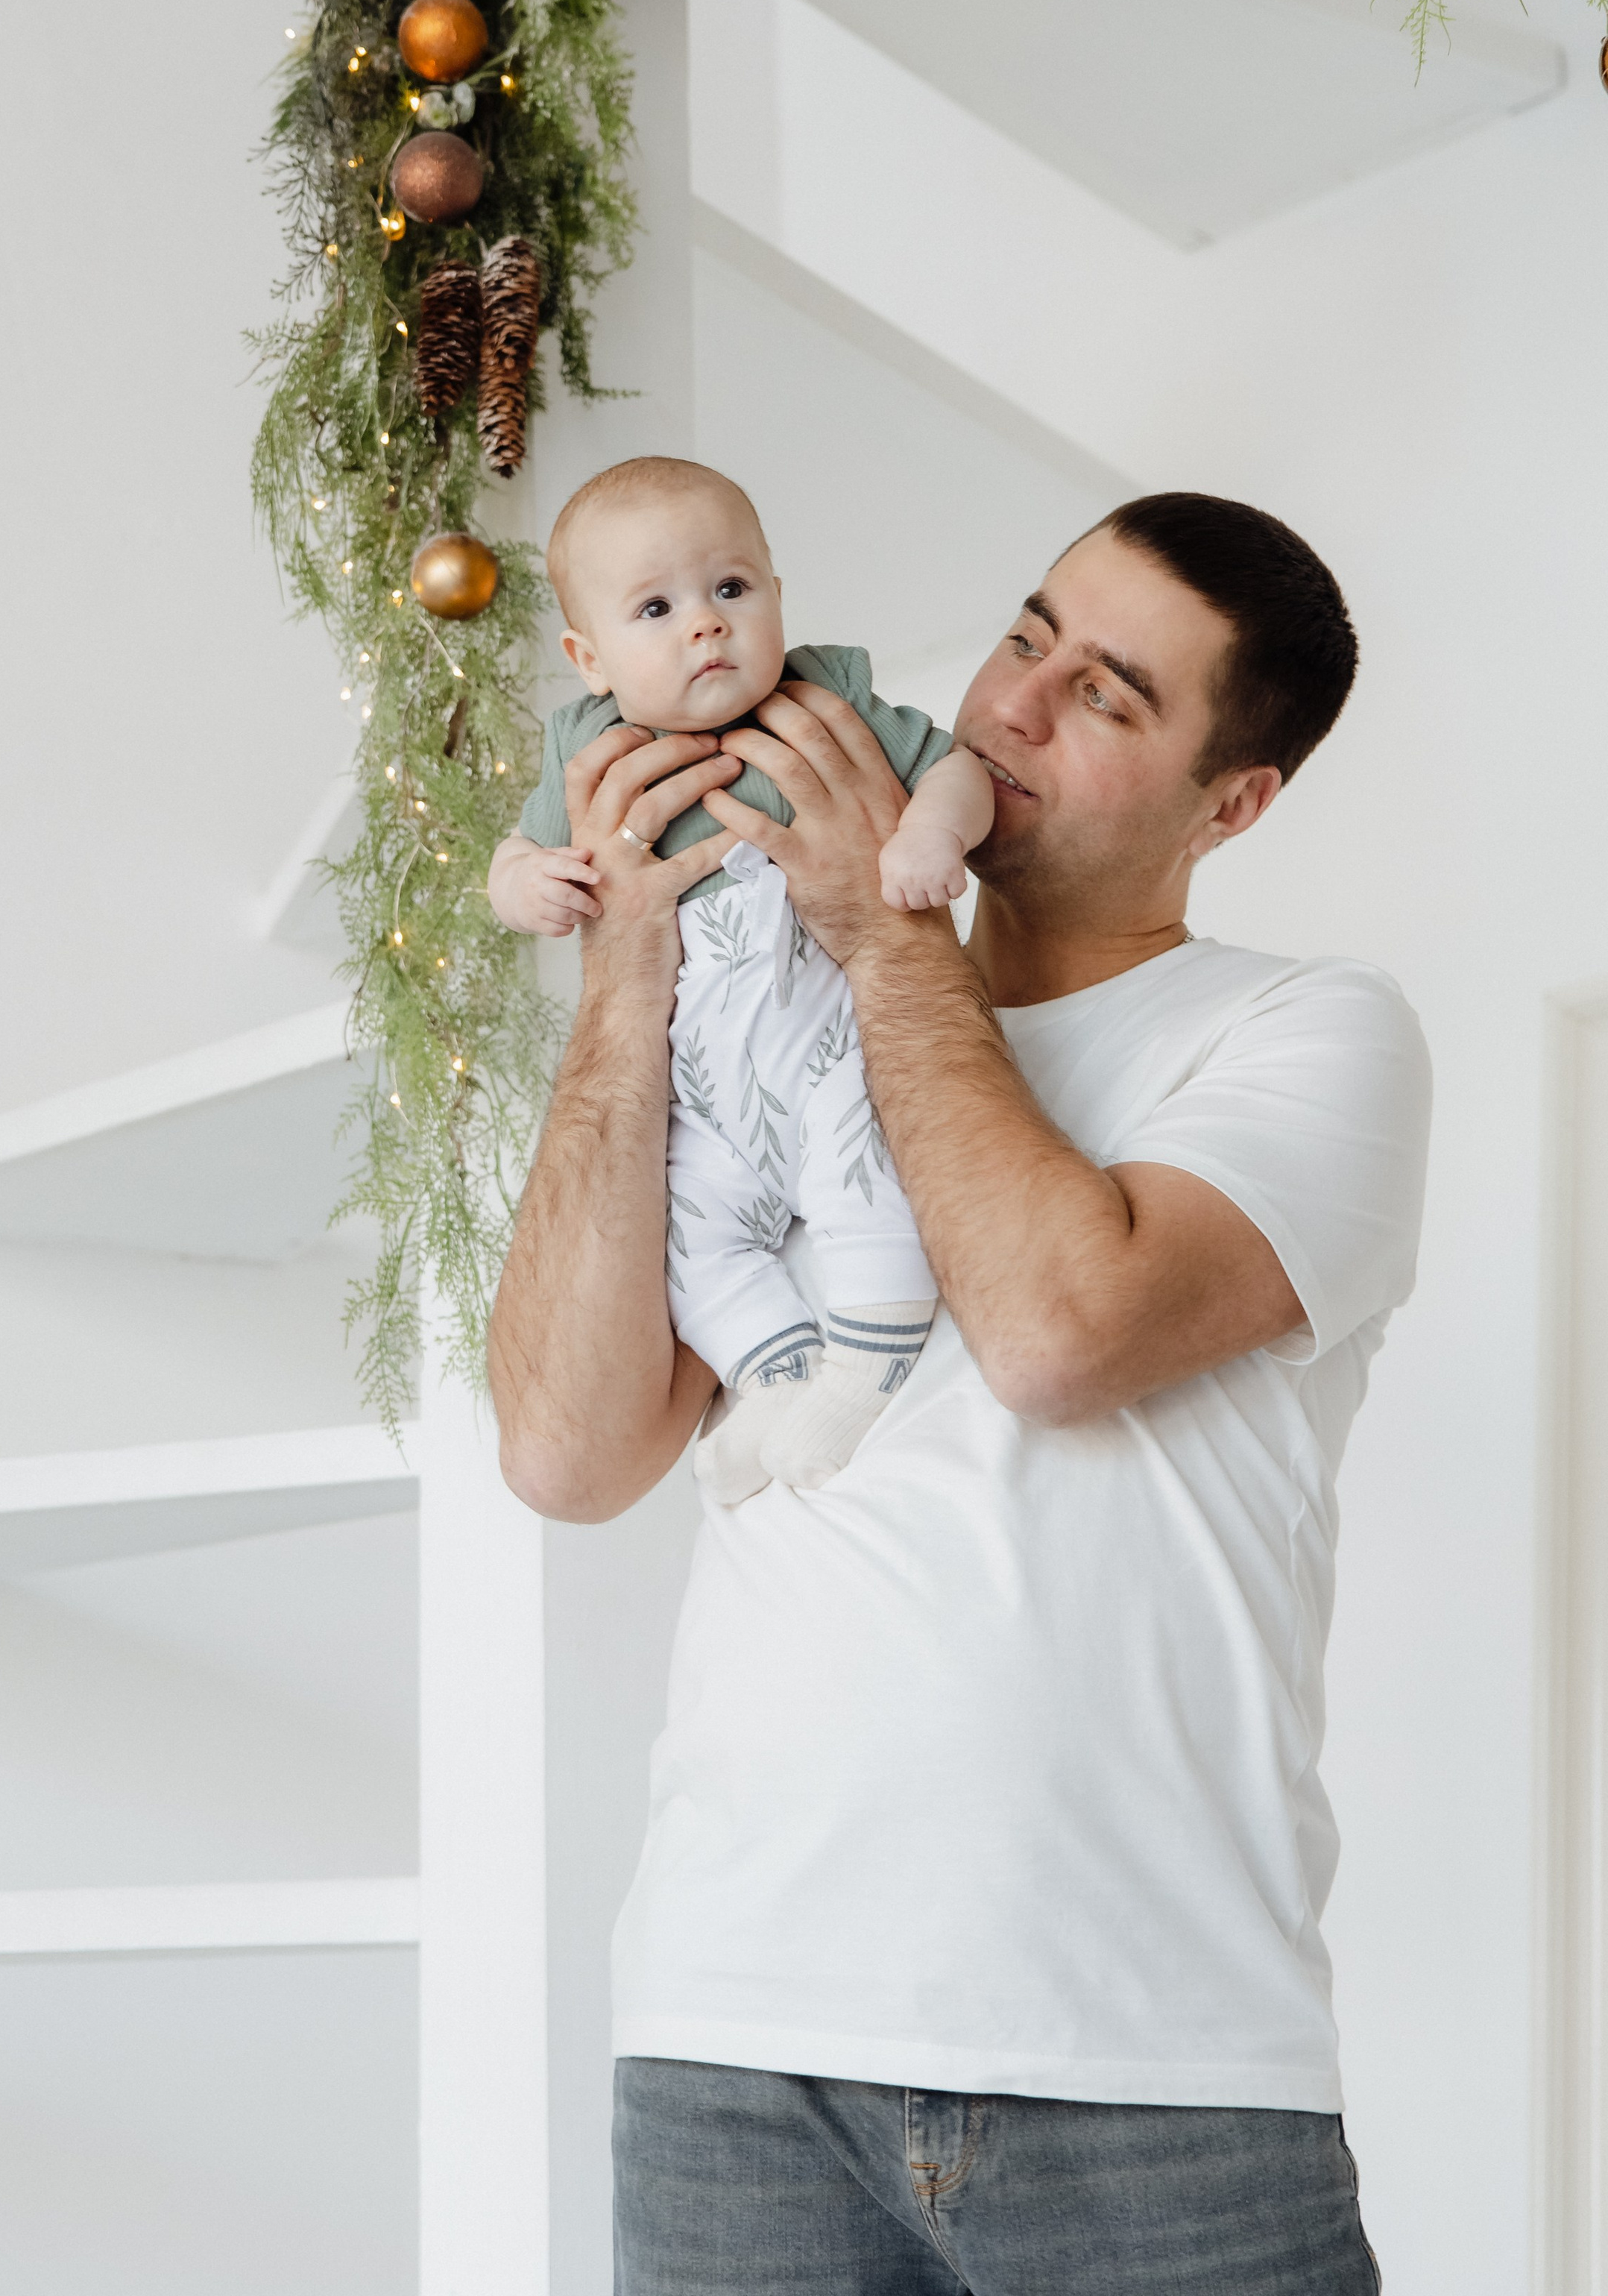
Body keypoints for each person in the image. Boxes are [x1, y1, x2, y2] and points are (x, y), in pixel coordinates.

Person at [487, 491, 1432, 2295]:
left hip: (1150, 2069)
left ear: (1228, 804)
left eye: (1108, 694)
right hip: (732, 2038)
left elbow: (1059, 1329)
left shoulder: (1307, 1030)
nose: (1012, 705)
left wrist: (878, 930)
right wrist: (628, 972)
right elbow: (564, 1447)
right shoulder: (763, 1011)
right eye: (1023, 632)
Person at [488, 455, 994, 1494]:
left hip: (824, 1039)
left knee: (865, 1168)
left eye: (732, 589)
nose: (705, 626)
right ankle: (775, 1374)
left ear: (775, 594)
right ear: (589, 659)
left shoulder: (825, 700)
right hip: (701, 1100)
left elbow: (956, 767)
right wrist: (528, 883)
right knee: (683, 1236)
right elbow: (512, 852)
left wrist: (929, 838)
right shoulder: (586, 748)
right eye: (657, 607)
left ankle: (867, 1356)